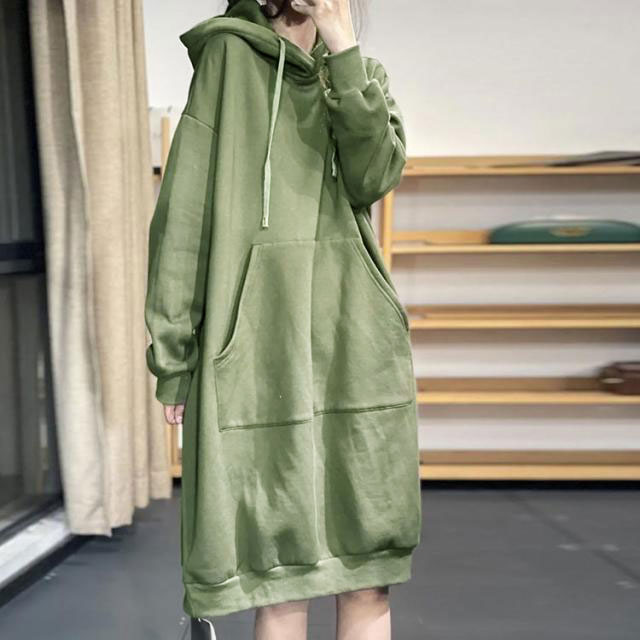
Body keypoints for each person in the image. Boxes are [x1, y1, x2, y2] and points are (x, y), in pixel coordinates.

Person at [144, 0, 421, 638]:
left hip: (354, 340)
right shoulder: (227, 59)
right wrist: (174, 351)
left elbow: (374, 176)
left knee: (368, 568)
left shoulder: (360, 72)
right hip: (257, 345)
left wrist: (342, 46)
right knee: (279, 576)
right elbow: (184, 214)